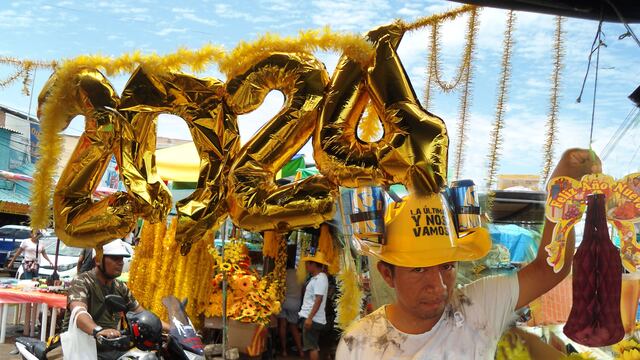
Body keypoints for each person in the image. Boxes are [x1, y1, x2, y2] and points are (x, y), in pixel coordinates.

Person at [335, 148, 601, 359]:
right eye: (418, 269)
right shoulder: (359, 344)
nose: (438, 285)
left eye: (447, 266)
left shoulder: (478, 307)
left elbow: (549, 269)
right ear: (387, 273)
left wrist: (561, 191)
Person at [52, 238, 167, 360]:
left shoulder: (120, 287)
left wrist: (176, 330)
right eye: (114, 258)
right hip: (78, 347)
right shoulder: (82, 281)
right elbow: (79, 313)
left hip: (108, 349)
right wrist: (98, 330)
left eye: (122, 258)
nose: (121, 262)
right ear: (97, 260)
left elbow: (142, 314)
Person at [298, 250, 330, 360]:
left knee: (312, 347)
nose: (306, 266)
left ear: (313, 264)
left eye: (308, 263)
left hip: (312, 318)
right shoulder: (316, 278)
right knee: (312, 346)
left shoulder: (320, 278)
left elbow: (318, 299)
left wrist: (310, 318)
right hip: (311, 317)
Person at [278, 244, 304, 358]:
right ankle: (301, 351)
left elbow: (279, 288)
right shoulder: (300, 274)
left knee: (282, 325)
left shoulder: (283, 274)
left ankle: (283, 351)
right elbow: (303, 290)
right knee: (293, 327)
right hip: (296, 303)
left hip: (284, 302)